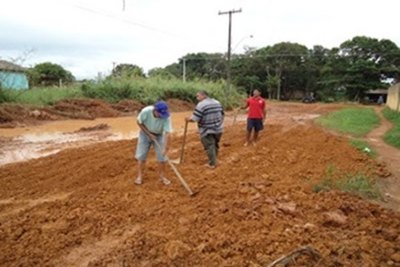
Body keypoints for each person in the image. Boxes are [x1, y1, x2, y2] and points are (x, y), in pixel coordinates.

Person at [134, 100, 172, 185]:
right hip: (145, 133)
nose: (162, 117)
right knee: (141, 156)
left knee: (162, 157)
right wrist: (149, 134)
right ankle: (139, 176)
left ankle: (162, 177)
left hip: (159, 135)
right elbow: (139, 122)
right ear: (155, 110)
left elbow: (167, 133)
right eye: (160, 114)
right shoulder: (146, 111)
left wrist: (165, 148)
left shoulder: (166, 117)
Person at [185, 90, 224, 169]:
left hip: (207, 129)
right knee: (215, 144)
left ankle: (212, 164)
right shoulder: (217, 102)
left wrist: (188, 119)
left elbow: (195, 119)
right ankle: (214, 160)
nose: (197, 98)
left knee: (209, 146)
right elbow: (222, 114)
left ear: (203, 96)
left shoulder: (201, 105)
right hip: (218, 128)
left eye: (198, 96)